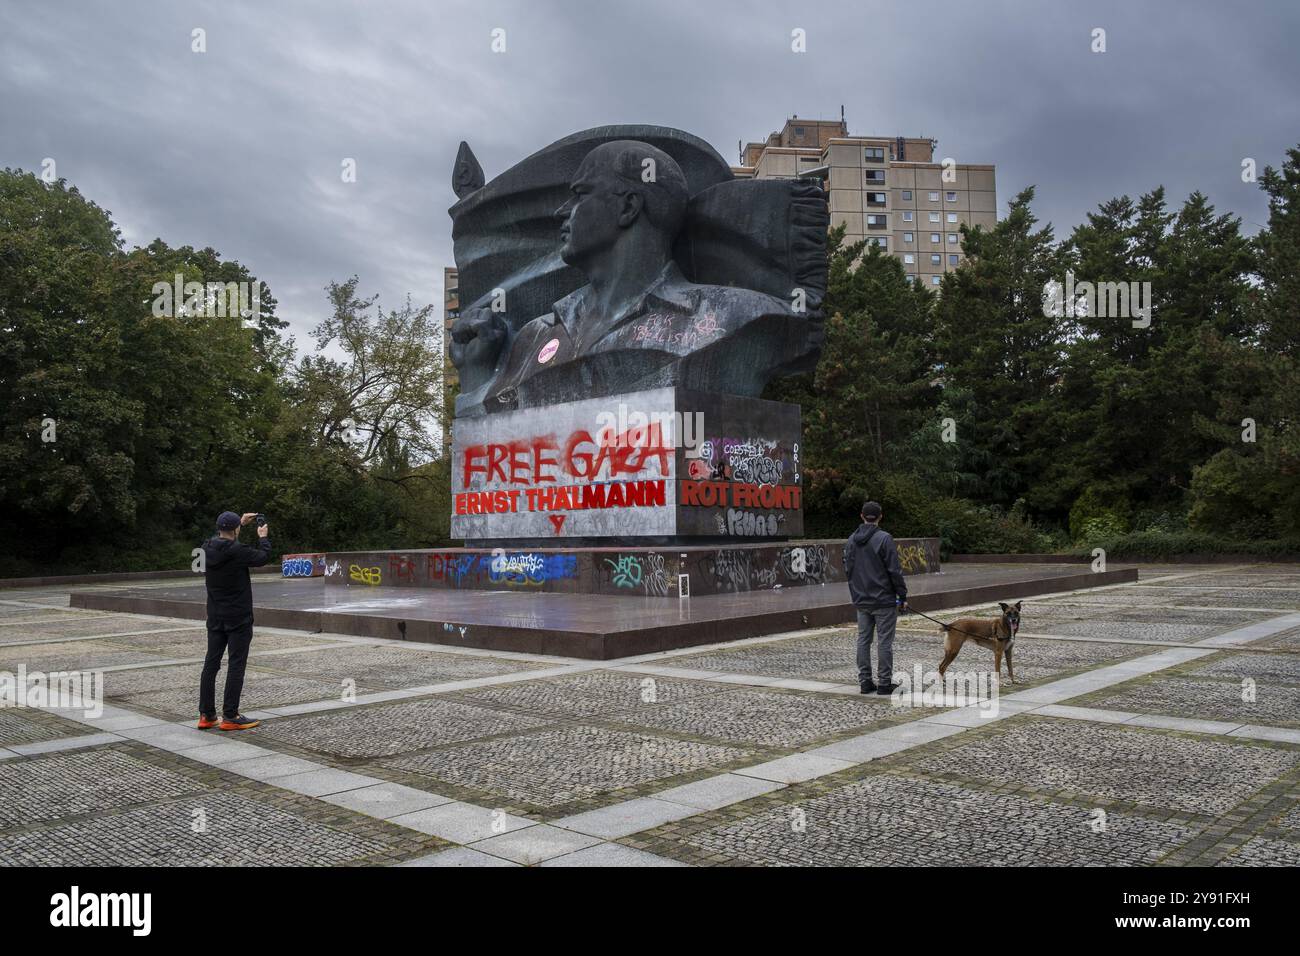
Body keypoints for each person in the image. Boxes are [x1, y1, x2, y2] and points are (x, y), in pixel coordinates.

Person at [198, 511, 271, 730]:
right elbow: (263, 557)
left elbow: (218, 538)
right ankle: (230, 715)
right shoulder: (237, 551)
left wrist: (237, 523)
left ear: (219, 527)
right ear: (236, 531)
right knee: (236, 664)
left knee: (211, 663)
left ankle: (206, 715)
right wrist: (263, 536)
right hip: (238, 616)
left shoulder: (205, 548)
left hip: (215, 615)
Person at [843, 500, 908, 695]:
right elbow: (894, 570)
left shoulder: (851, 539)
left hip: (862, 599)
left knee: (863, 640)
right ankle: (884, 683)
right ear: (880, 516)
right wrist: (902, 594)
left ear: (862, 516)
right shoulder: (884, 538)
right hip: (884, 599)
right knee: (884, 642)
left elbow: (848, 569)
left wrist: (856, 592)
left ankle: (865, 682)